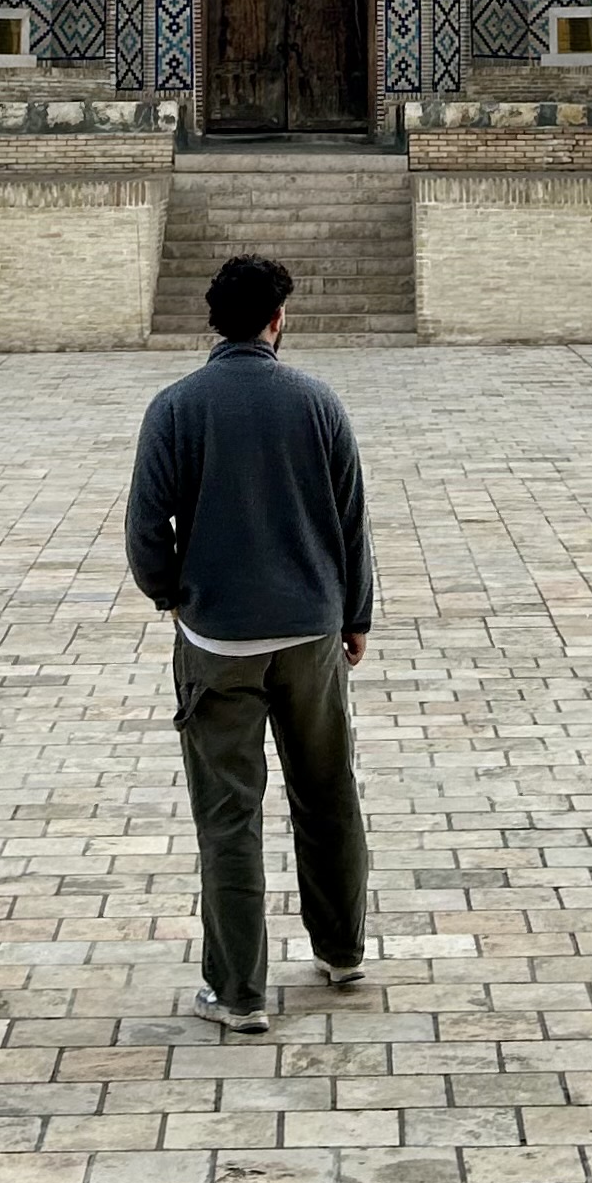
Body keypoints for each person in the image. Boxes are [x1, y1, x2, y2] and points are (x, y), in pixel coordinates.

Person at [124, 248, 375, 1033]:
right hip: (310, 632)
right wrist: (355, 614)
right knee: (327, 790)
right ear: (277, 320)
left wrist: (172, 594)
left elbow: (144, 528)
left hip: (219, 637)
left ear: (215, 320)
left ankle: (237, 993)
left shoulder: (176, 406)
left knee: (229, 815)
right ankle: (341, 951)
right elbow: (350, 520)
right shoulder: (317, 401)